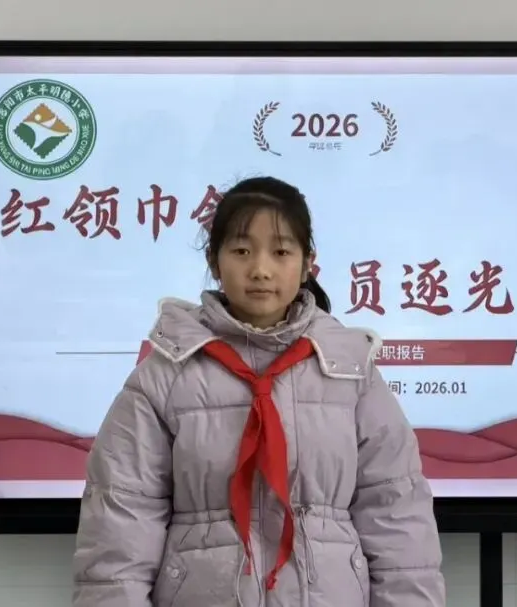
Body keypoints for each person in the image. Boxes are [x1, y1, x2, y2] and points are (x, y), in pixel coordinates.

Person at [72, 176, 446, 607]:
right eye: (242, 251)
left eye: (281, 252)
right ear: (214, 261)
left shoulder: (351, 372)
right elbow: (120, 521)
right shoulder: (163, 377)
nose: (261, 270)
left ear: (307, 264)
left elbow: (397, 514)